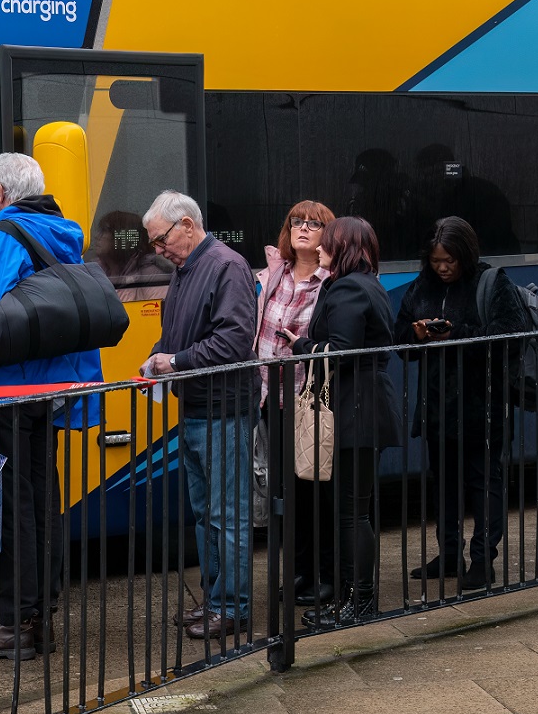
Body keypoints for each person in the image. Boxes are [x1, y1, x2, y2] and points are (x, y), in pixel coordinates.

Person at [0, 153, 103, 661]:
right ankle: (43, 613)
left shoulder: (3, 233)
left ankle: (14, 623)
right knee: (43, 496)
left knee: (14, 506)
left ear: (0, 192)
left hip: (10, 391)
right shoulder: (63, 232)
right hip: (53, 390)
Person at [136, 191, 257, 640]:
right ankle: (215, 601)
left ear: (188, 224)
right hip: (198, 408)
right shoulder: (188, 269)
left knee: (226, 515)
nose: (159, 249)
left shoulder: (227, 266)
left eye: (161, 239)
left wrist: (176, 362)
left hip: (223, 410)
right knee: (208, 513)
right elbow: (177, 334)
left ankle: (232, 607)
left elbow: (233, 341)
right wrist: (156, 357)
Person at [394, 216, 519, 590]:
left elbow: (511, 334)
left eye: (450, 260)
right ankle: (449, 555)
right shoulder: (421, 287)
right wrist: (417, 336)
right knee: (444, 483)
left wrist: (457, 334)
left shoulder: (490, 281)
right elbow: (399, 338)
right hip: (437, 406)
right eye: (436, 261)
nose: (444, 268)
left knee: (484, 481)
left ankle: (483, 559)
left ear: (466, 254)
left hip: (482, 403)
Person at [290, 216, 403, 626]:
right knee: (353, 510)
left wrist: (300, 343)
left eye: (328, 243)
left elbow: (339, 350)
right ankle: (354, 600)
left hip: (356, 408)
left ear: (344, 248)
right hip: (362, 406)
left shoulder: (350, 286)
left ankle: (361, 602)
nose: (319, 248)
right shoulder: (366, 282)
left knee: (351, 512)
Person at [254, 200, 334, 606]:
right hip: (270, 397)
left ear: (328, 234)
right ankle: (300, 571)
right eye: (297, 221)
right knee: (285, 491)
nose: (303, 228)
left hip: (309, 401)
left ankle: (323, 574)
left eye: (314, 223)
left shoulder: (331, 281)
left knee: (312, 490)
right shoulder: (273, 273)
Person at [92, 209, 170, 302]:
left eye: (104, 231)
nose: (97, 236)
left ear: (121, 238)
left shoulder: (151, 276)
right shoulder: (94, 271)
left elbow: (161, 312)